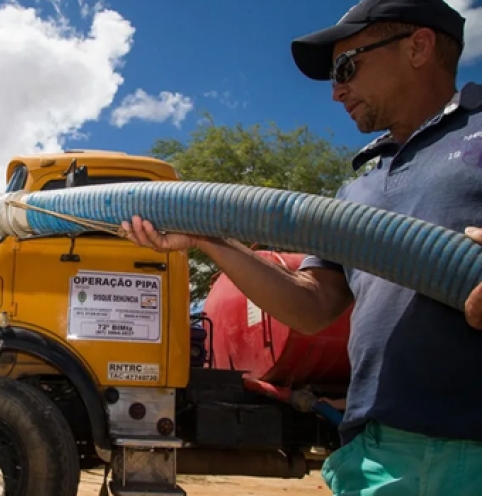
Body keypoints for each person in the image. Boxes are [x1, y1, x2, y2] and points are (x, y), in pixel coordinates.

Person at [121, 0, 482, 494]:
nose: (336, 91)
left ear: (418, 47)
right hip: (376, 452)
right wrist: (210, 238)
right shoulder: (360, 190)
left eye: (346, 67)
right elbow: (313, 306)